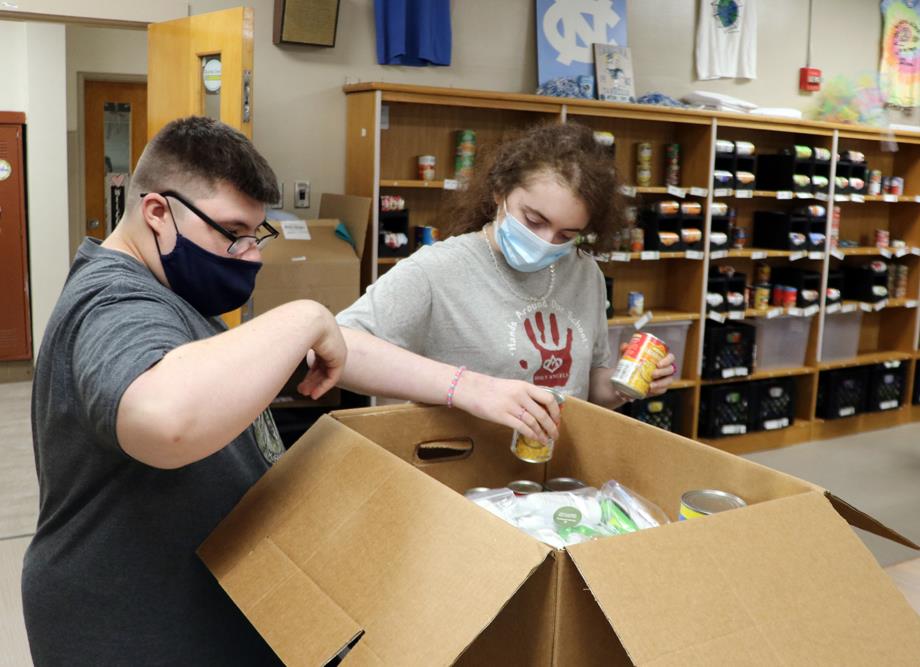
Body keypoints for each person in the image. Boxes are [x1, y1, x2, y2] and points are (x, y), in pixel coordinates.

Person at [22, 116, 560, 666]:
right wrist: (304, 316)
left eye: (259, 235)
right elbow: (164, 421)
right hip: (127, 628)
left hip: (196, 603)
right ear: (158, 212)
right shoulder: (115, 303)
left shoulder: (174, 292)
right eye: (234, 234)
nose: (252, 255)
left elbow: (330, 349)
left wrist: (467, 387)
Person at [336, 121, 676, 414]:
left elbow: (586, 385)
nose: (547, 242)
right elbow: (335, 348)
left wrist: (625, 382)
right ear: (500, 192)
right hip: (459, 471)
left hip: (552, 476)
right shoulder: (438, 270)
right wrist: (468, 388)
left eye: (567, 234)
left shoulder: (585, 273)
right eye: (533, 220)